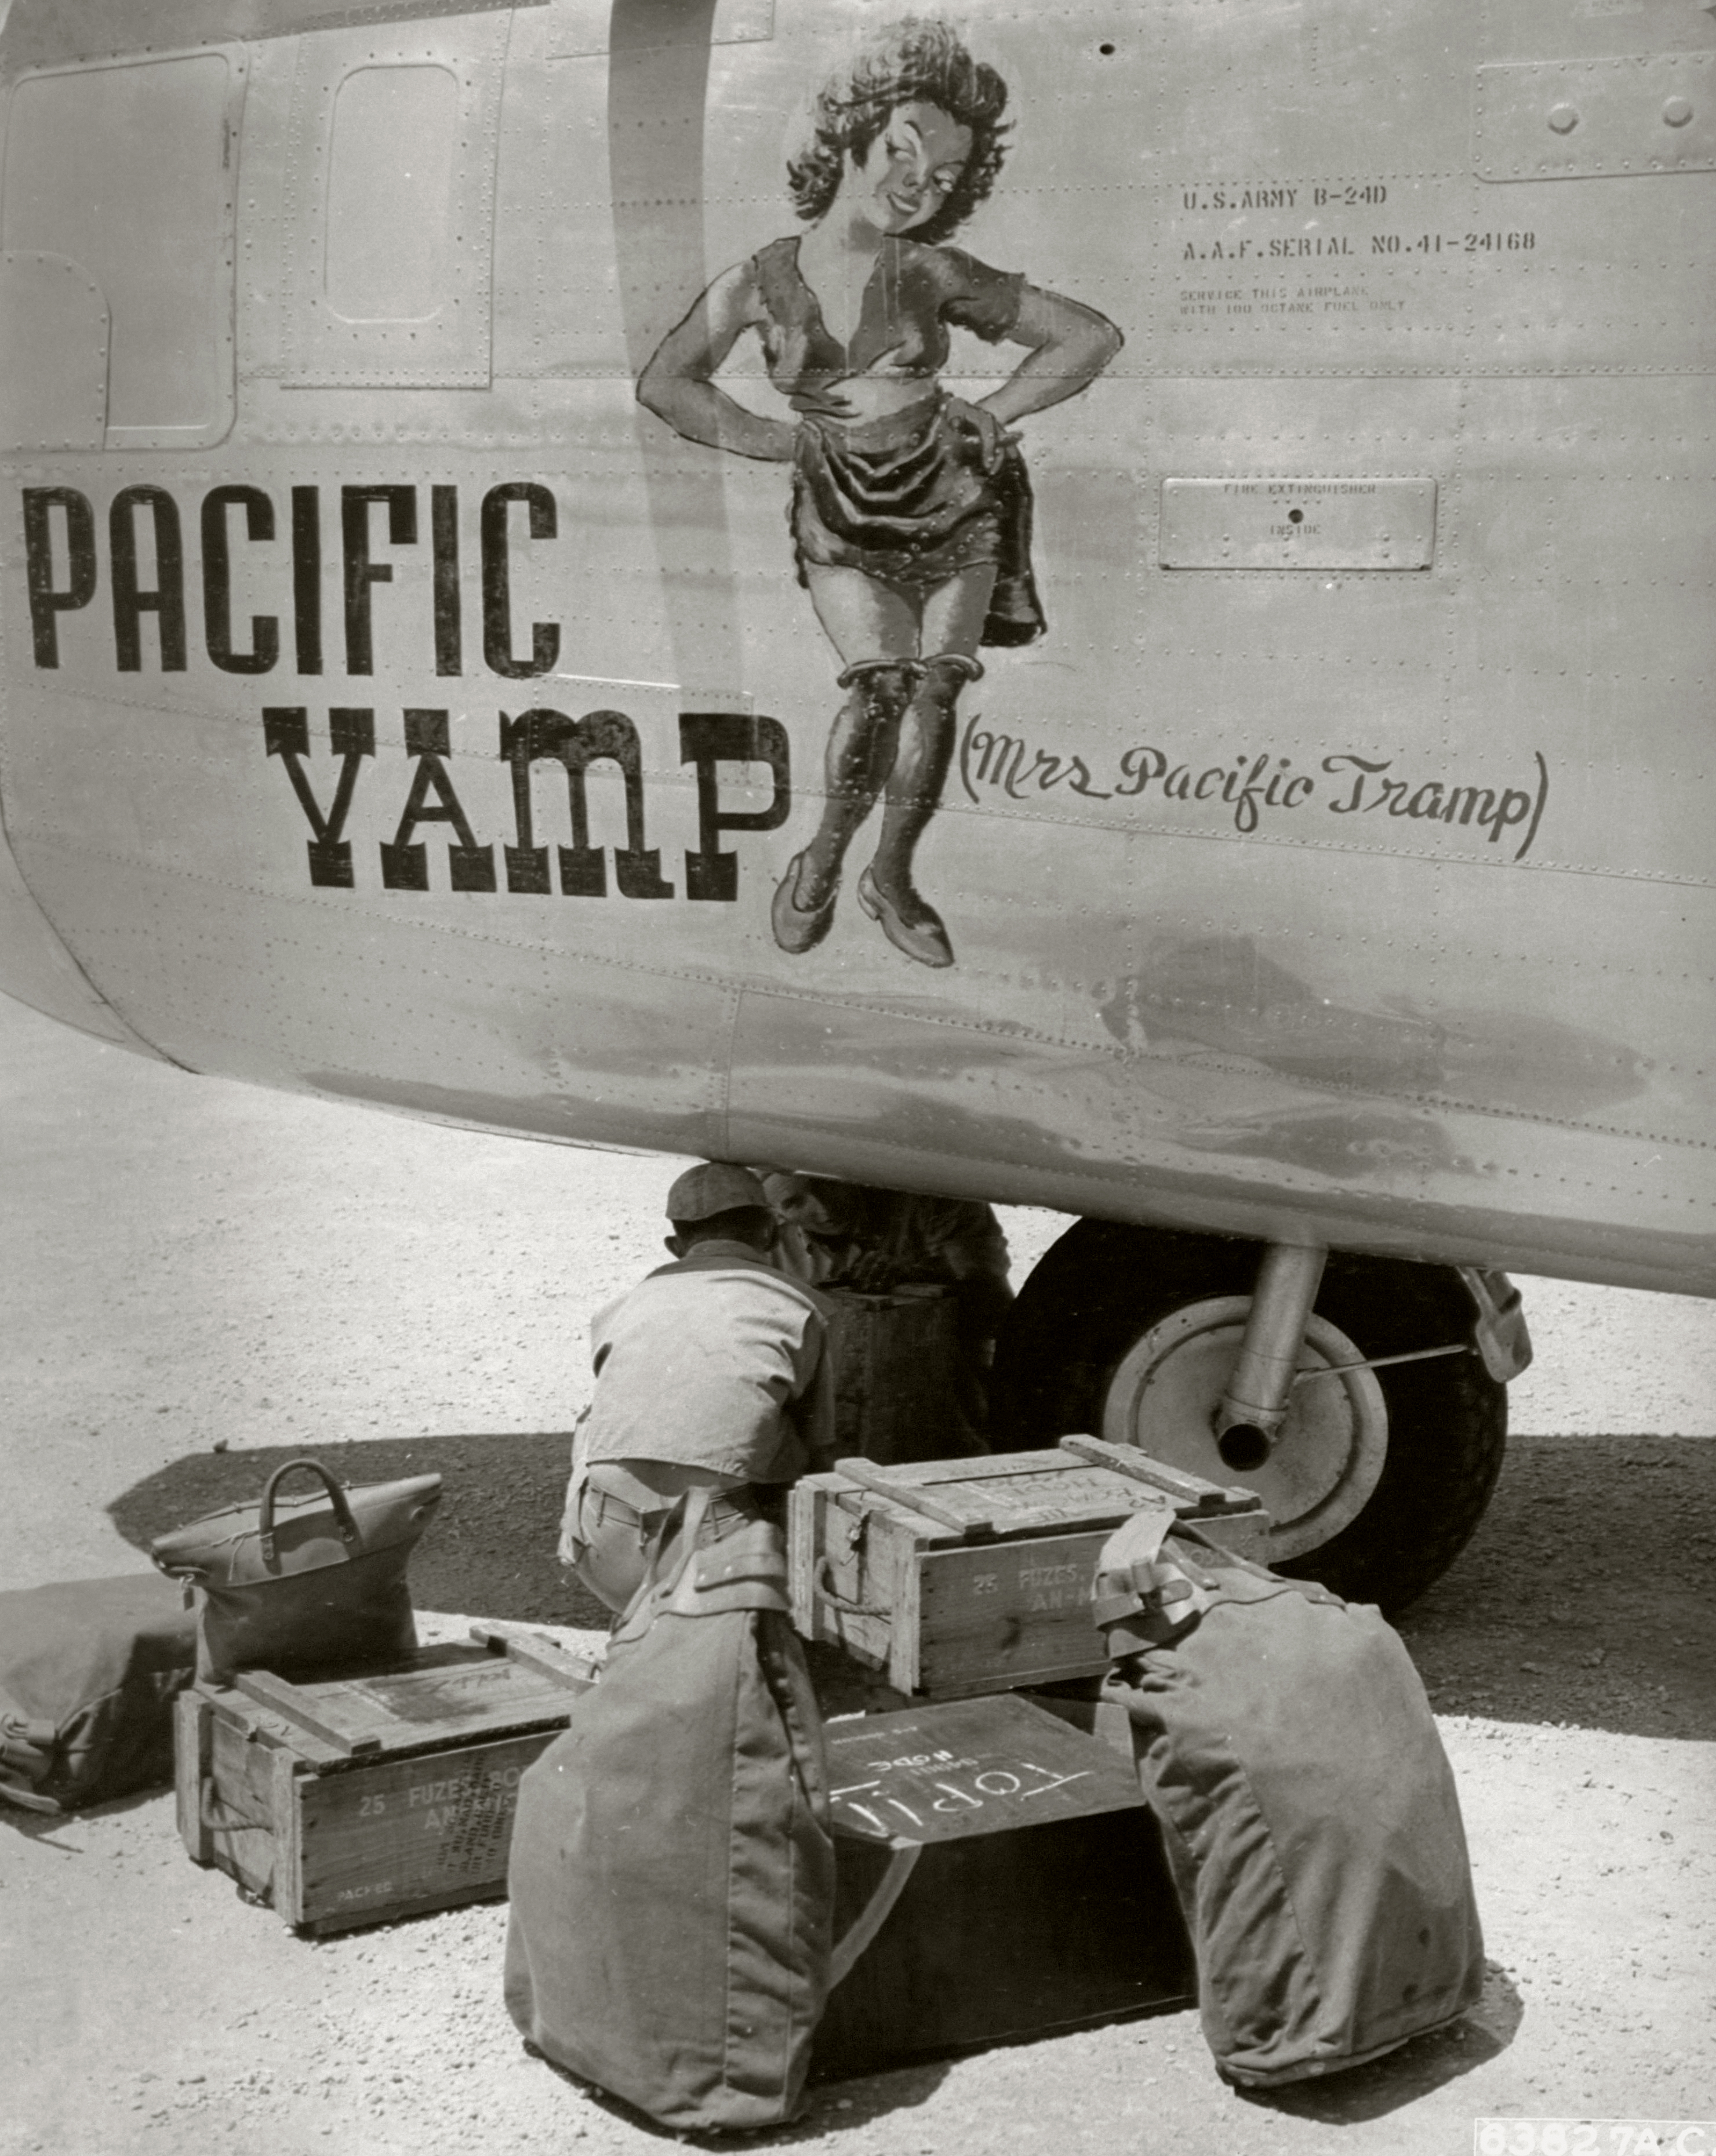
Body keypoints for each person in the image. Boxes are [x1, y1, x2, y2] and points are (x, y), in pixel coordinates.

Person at [637, 18, 1122, 969]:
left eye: (945, 176)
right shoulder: (760, 280)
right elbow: (668, 383)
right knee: (880, 689)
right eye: (905, 148)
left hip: (958, 498)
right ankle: (821, 861)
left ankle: (891, 877)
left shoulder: (933, 270)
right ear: (851, 133)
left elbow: (1088, 338)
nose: (919, 182)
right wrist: (772, 439)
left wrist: (999, 410)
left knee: (935, 693)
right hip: (842, 511)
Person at [558, 1162, 836, 1615]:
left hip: (603, 1549)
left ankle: (640, 1622)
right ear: (769, 1233)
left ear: (674, 1245)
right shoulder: (806, 1310)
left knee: (594, 1423)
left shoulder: (620, 1308)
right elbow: (819, 1451)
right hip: (712, 1555)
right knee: (788, 1446)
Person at [758, 1170, 1013, 1447]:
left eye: (827, 1187)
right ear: (778, 1214)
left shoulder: (929, 1200)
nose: (824, 1209)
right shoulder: (772, 1246)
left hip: (953, 1376)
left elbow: (991, 1300)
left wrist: (920, 1273)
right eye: (796, 1203)